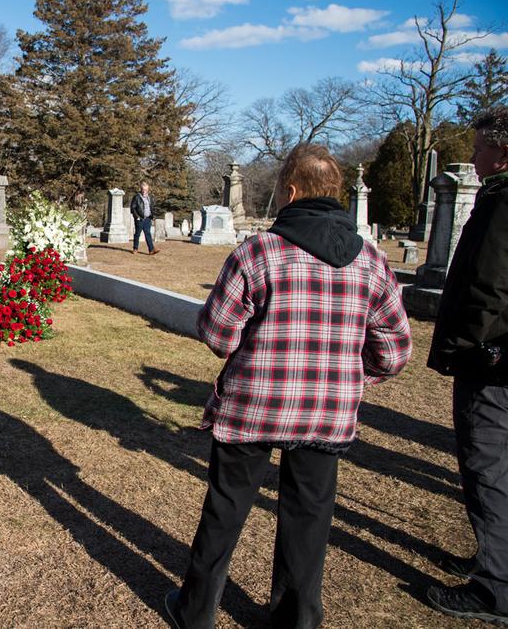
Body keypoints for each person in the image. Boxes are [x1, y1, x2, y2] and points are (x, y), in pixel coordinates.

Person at [165, 143, 412, 629]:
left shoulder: (258, 253)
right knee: (309, 516)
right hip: (327, 412)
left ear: (292, 192)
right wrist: (351, 377)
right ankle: (297, 620)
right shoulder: (372, 261)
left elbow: (217, 334)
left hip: (253, 406)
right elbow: (394, 349)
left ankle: (195, 613)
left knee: (226, 507)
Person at [426, 105, 508, 624]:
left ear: (503, 150)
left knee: (489, 467)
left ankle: (495, 588)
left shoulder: (502, 203)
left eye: (479, 147)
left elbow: (490, 287)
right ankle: (495, 560)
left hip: (494, 365)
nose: (473, 157)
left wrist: (466, 346)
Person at [129, 181, 159, 255]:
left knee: (148, 233)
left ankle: (151, 250)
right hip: (140, 219)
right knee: (137, 234)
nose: (144, 191)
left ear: (148, 190)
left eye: (146, 190)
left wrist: (152, 216)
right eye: (143, 189)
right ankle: (135, 248)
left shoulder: (150, 197)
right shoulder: (137, 197)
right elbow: (133, 208)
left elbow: (151, 207)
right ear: (141, 189)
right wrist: (137, 217)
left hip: (148, 218)